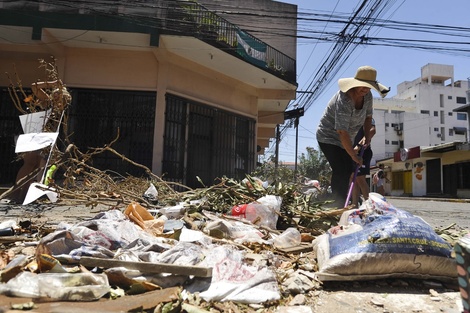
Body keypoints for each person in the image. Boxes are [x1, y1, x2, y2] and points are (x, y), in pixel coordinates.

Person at [316, 65, 389, 206]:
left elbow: (368, 118)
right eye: (363, 86)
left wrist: (367, 138)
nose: (365, 90)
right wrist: (354, 156)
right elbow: (341, 131)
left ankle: (343, 202)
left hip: (347, 139)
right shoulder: (344, 99)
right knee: (341, 169)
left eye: (369, 87)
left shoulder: (367, 97)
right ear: (355, 84)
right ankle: (337, 204)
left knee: (349, 170)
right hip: (329, 137)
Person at [8, 80, 71, 203]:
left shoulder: (61, 112)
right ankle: (16, 194)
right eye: (56, 95)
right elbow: (34, 86)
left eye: (61, 97)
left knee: (38, 166)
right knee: (30, 163)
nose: (58, 98)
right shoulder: (47, 103)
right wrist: (53, 83)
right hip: (33, 136)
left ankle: (25, 195)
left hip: (45, 141)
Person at [350, 119, 376, 207]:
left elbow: (372, 130)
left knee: (360, 178)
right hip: (353, 153)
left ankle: (368, 204)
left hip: (363, 152)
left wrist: (359, 146)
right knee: (353, 179)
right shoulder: (350, 118)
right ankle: (354, 204)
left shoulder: (366, 118)